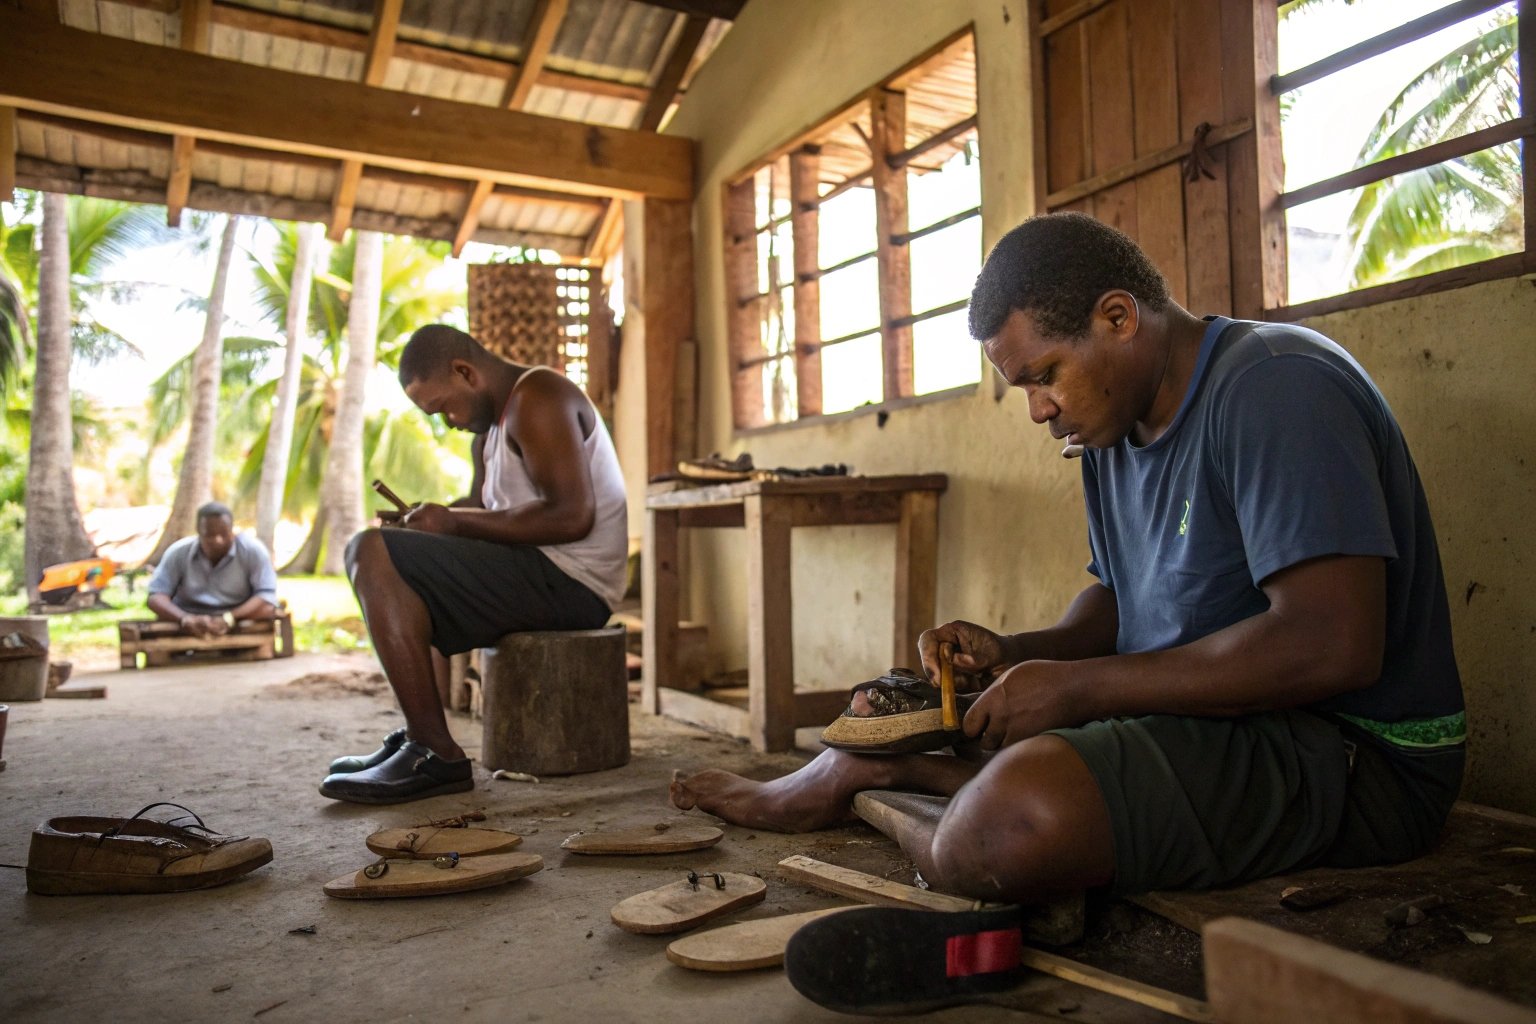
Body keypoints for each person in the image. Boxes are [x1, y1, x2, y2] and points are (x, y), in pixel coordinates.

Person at [671, 212, 1466, 905]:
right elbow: (1124, 604)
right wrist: (1017, 655)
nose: (1038, 410)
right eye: (1023, 388)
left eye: (1044, 376)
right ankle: (875, 769)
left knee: (997, 831)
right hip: (1228, 724)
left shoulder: (1276, 387)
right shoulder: (1109, 426)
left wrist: (1078, 689)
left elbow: (1331, 644)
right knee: (904, 710)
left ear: (1119, 317)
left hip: (1357, 761)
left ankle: (901, 787)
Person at [321, 324, 627, 804]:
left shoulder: (539, 397)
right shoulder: (489, 434)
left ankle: (434, 752)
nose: (447, 422)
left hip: (576, 584)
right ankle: (419, 737)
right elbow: (487, 510)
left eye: (443, 407)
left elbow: (571, 515)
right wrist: (426, 522)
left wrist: (455, 525)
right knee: (385, 548)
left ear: (466, 372)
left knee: (369, 551)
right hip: (539, 572)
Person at [147, 502, 280, 637]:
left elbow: (266, 595)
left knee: (266, 608)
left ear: (232, 530)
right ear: (198, 531)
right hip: (188, 615)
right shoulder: (177, 552)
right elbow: (156, 596)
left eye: (224, 533)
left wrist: (228, 618)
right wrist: (185, 618)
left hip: (239, 614)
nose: (218, 540)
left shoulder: (253, 551)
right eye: (210, 535)